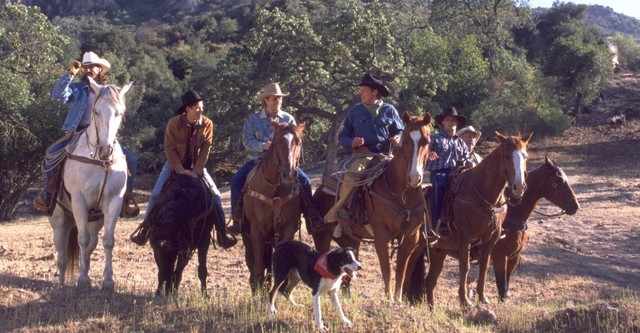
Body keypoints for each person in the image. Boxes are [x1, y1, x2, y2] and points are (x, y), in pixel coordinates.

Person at [33, 51, 139, 217]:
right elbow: (58, 95)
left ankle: (127, 198)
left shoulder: (109, 91)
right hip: (77, 132)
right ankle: (49, 194)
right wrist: (69, 74)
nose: (89, 69)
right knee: (51, 155)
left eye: (93, 66)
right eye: (86, 66)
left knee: (131, 159)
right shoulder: (77, 89)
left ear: (100, 69)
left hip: (105, 135)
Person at [130, 90, 236, 249]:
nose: (201, 111)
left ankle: (223, 234)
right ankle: (144, 230)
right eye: (197, 108)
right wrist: (179, 169)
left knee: (216, 195)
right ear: (187, 109)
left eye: (202, 107)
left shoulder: (207, 124)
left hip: (197, 166)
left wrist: (197, 170)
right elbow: (169, 149)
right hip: (174, 164)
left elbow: (207, 148)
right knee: (156, 194)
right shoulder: (173, 123)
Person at [227, 82, 325, 235]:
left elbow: (296, 140)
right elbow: (247, 141)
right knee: (237, 180)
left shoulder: (288, 118)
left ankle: (311, 217)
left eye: (280, 99)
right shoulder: (253, 120)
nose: (278, 102)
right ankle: (237, 218)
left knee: (304, 180)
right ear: (265, 100)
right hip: (258, 160)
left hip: (285, 161)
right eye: (274, 99)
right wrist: (262, 146)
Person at [324, 73, 403, 225]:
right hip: (363, 154)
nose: (360, 93)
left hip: (386, 155)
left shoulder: (389, 110)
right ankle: (340, 211)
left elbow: (399, 130)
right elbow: (343, 136)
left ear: (375, 92)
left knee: (405, 175)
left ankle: (409, 214)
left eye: (364, 90)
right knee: (352, 177)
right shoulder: (354, 111)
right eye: (360, 90)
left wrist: (398, 137)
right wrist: (351, 142)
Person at [425, 106, 472, 232]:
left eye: (453, 120)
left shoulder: (460, 142)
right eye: (448, 120)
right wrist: (428, 154)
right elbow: (424, 150)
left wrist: (469, 163)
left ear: (457, 124)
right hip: (439, 172)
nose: (451, 122)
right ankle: (437, 220)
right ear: (443, 123)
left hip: (458, 172)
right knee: (439, 184)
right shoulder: (435, 138)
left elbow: (467, 157)